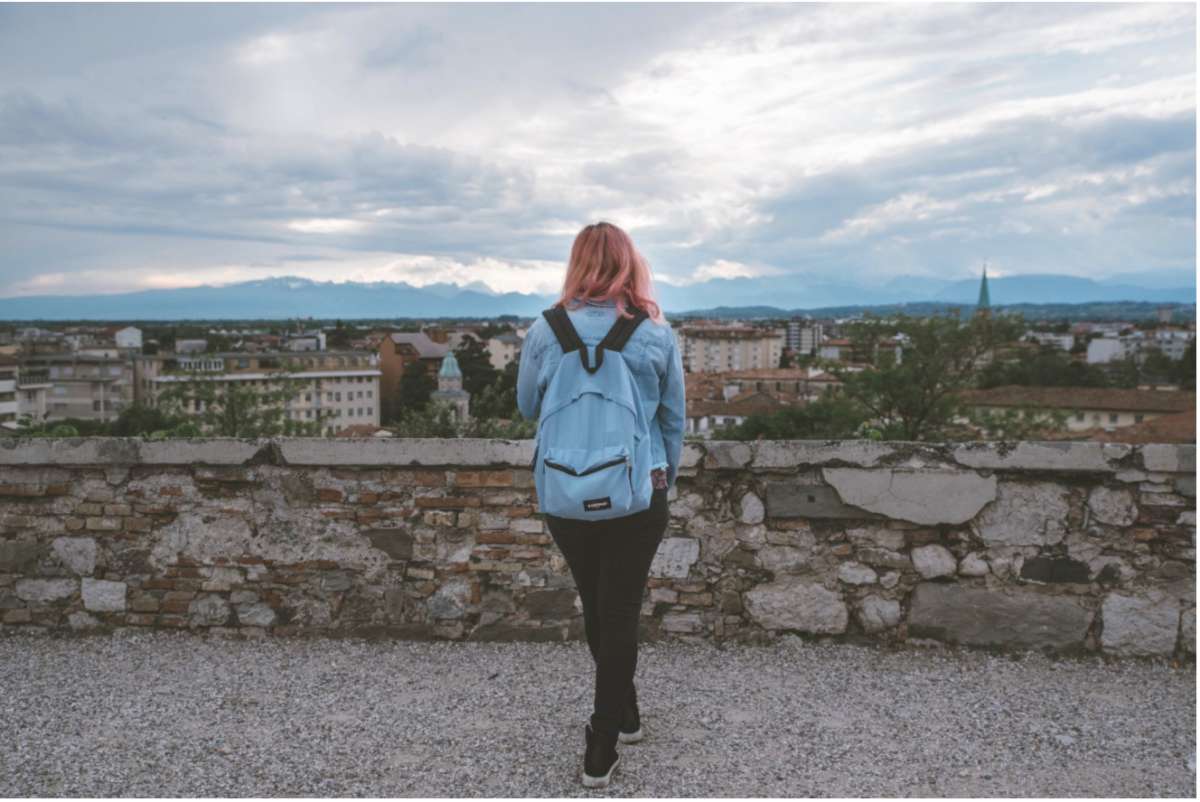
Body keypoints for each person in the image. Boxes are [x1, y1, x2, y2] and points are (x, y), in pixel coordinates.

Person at [516, 221, 686, 788]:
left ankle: (621, 717)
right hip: (639, 490)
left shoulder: (546, 329)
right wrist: (663, 479)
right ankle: (604, 737)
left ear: (576, 263)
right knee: (620, 610)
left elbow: (526, 406)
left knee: (596, 605)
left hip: (566, 490)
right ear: (629, 264)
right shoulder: (654, 333)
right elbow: (672, 419)